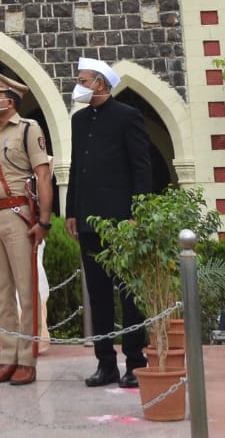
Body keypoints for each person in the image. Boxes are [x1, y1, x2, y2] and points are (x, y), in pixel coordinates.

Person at [65, 55, 152, 389]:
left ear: (100, 83)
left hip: (121, 222)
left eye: (83, 80)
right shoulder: (79, 120)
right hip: (88, 222)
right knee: (98, 295)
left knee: (129, 294)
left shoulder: (128, 117)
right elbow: (76, 168)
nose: (79, 86)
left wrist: (137, 215)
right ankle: (105, 363)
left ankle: (135, 362)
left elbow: (142, 169)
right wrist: (72, 210)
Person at [0, 72, 53, 387]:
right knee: (0, 293)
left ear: (10, 99)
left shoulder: (28, 130)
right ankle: (6, 357)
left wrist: (43, 221)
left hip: (18, 214)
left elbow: (43, 176)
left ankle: (25, 360)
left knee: (26, 290)